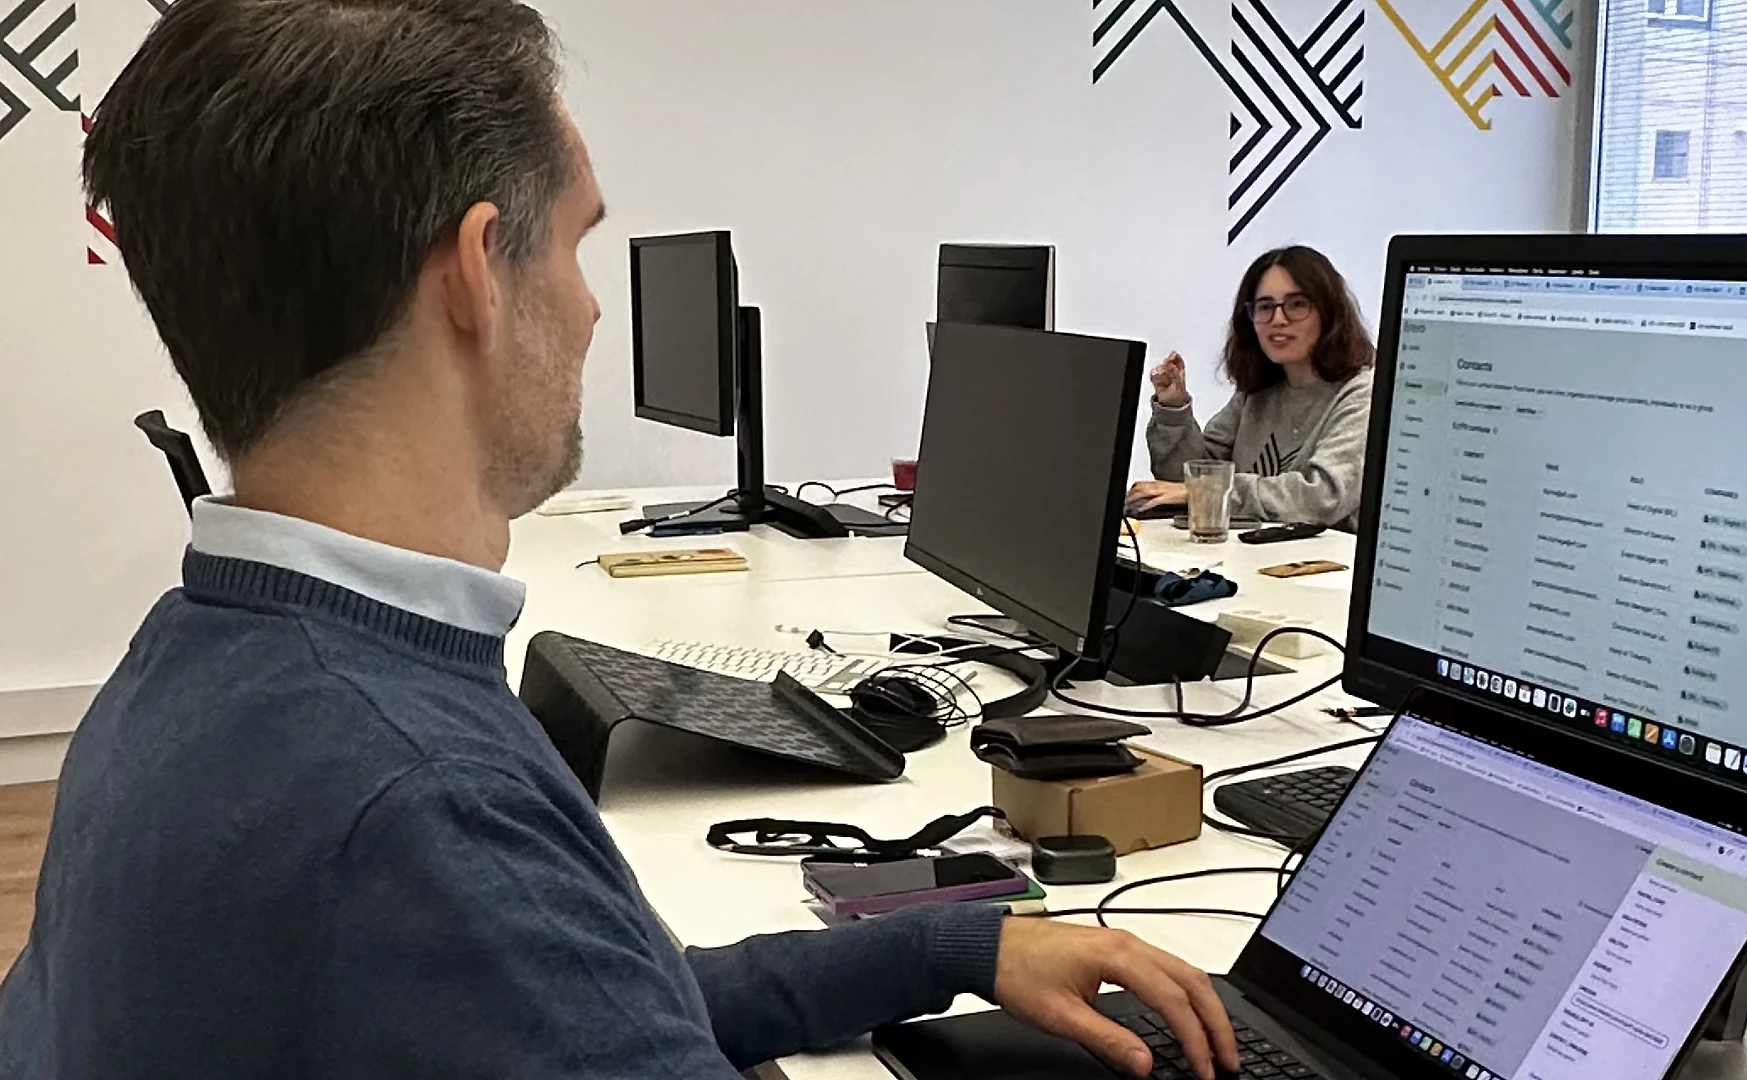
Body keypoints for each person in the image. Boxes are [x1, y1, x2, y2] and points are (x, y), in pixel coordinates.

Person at [0, 3, 1239, 1078]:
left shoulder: (194, 666)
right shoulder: (421, 806)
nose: (594, 307)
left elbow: (587, 993)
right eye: (577, 242)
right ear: (477, 275)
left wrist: (951, 946)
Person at [1128, 246, 1375, 529]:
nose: (1278, 320)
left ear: (1329, 313)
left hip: (1320, 556)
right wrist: (1174, 411)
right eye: (1265, 307)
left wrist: (1208, 491)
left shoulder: (1364, 393)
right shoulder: (1257, 390)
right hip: (1243, 553)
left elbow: (1322, 497)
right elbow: (1182, 481)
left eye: (1297, 304)